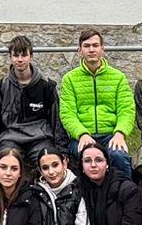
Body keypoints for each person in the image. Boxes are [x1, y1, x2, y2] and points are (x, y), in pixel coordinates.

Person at [58, 29, 135, 178]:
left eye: (95, 45)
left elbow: (127, 109)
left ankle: (126, 193)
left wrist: (120, 133)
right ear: (79, 50)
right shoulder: (70, 79)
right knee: (88, 157)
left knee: (118, 155)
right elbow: (67, 113)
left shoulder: (118, 77)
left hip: (111, 135)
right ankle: (87, 198)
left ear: (102, 49)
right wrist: (82, 134)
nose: (91, 49)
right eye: (87, 46)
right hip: (81, 137)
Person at [0, 35, 63, 159]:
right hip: (10, 138)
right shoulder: (1, 86)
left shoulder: (46, 86)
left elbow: (56, 120)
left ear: (31, 57)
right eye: (15, 55)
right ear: (10, 57)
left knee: (46, 160)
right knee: (7, 161)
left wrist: (62, 149)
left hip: (40, 138)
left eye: (24, 55)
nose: (20, 60)